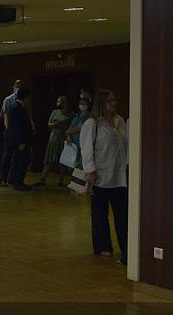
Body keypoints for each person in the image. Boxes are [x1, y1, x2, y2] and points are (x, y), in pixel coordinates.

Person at [81, 90, 128, 264]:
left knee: (122, 215)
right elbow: (86, 148)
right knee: (100, 214)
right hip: (100, 175)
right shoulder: (92, 123)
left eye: (114, 100)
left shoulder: (119, 121)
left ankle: (126, 248)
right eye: (109, 101)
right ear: (102, 103)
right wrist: (90, 170)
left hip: (119, 176)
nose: (113, 103)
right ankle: (103, 246)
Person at [37, 96, 72, 186]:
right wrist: (55, 124)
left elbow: (71, 126)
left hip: (63, 137)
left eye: (59, 101)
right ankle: (42, 179)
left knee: (62, 159)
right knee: (49, 158)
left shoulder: (70, 114)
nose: (57, 103)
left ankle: (61, 180)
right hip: (54, 137)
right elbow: (49, 124)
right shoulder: (55, 112)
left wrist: (64, 128)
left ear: (64, 103)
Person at [4, 85, 34, 191]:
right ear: (25, 97)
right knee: (23, 160)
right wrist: (22, 141)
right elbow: (19, 127)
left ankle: (13, 179)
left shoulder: (16, 106)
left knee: (17, 159)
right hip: (21, 140)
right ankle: (18, 182)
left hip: (18, 139)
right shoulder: (18, 108)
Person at [0, 80, 23, 187]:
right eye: (17, 86)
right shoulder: (8, 99)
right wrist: (8, 130)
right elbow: (5, 116)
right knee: (7, 156)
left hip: (19, 131)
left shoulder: (22, 99)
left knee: (17, 156)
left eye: (20, 86)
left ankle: (12, 178)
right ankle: (3, 178)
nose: (18, 88)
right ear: (14, 87)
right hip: (10, 131)